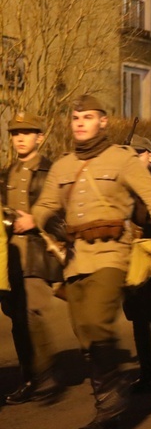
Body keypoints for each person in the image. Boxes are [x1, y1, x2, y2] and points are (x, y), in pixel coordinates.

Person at [31, 95, 151, 429]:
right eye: (76, 117)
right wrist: (33, 219)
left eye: (88, 116)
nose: (80, 122)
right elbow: (46, 204)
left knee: (98, 323)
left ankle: (113, 393)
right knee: (85, 336)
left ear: (103, 121)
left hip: (113, 254)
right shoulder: (63, 165)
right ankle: (106, 411)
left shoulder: (122, 159)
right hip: (75, 258)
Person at [0, 112, 66, 404]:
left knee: (30, 313)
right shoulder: (7, 172)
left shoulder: (52, 172)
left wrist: (36, 220)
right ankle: (30, 378)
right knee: (16, 317)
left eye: (27, 133)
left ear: (40, 137)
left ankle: (46, 374)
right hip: (10, 255)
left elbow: (64, 217)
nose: (20, 138)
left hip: (39, 253)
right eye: (16, 133)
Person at [122, 134, 151, 394]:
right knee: (138, 319)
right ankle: (147, 372)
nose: (134, 159)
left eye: (138, 153)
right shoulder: (123, 185)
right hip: (131, 260)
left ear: (150, 156)